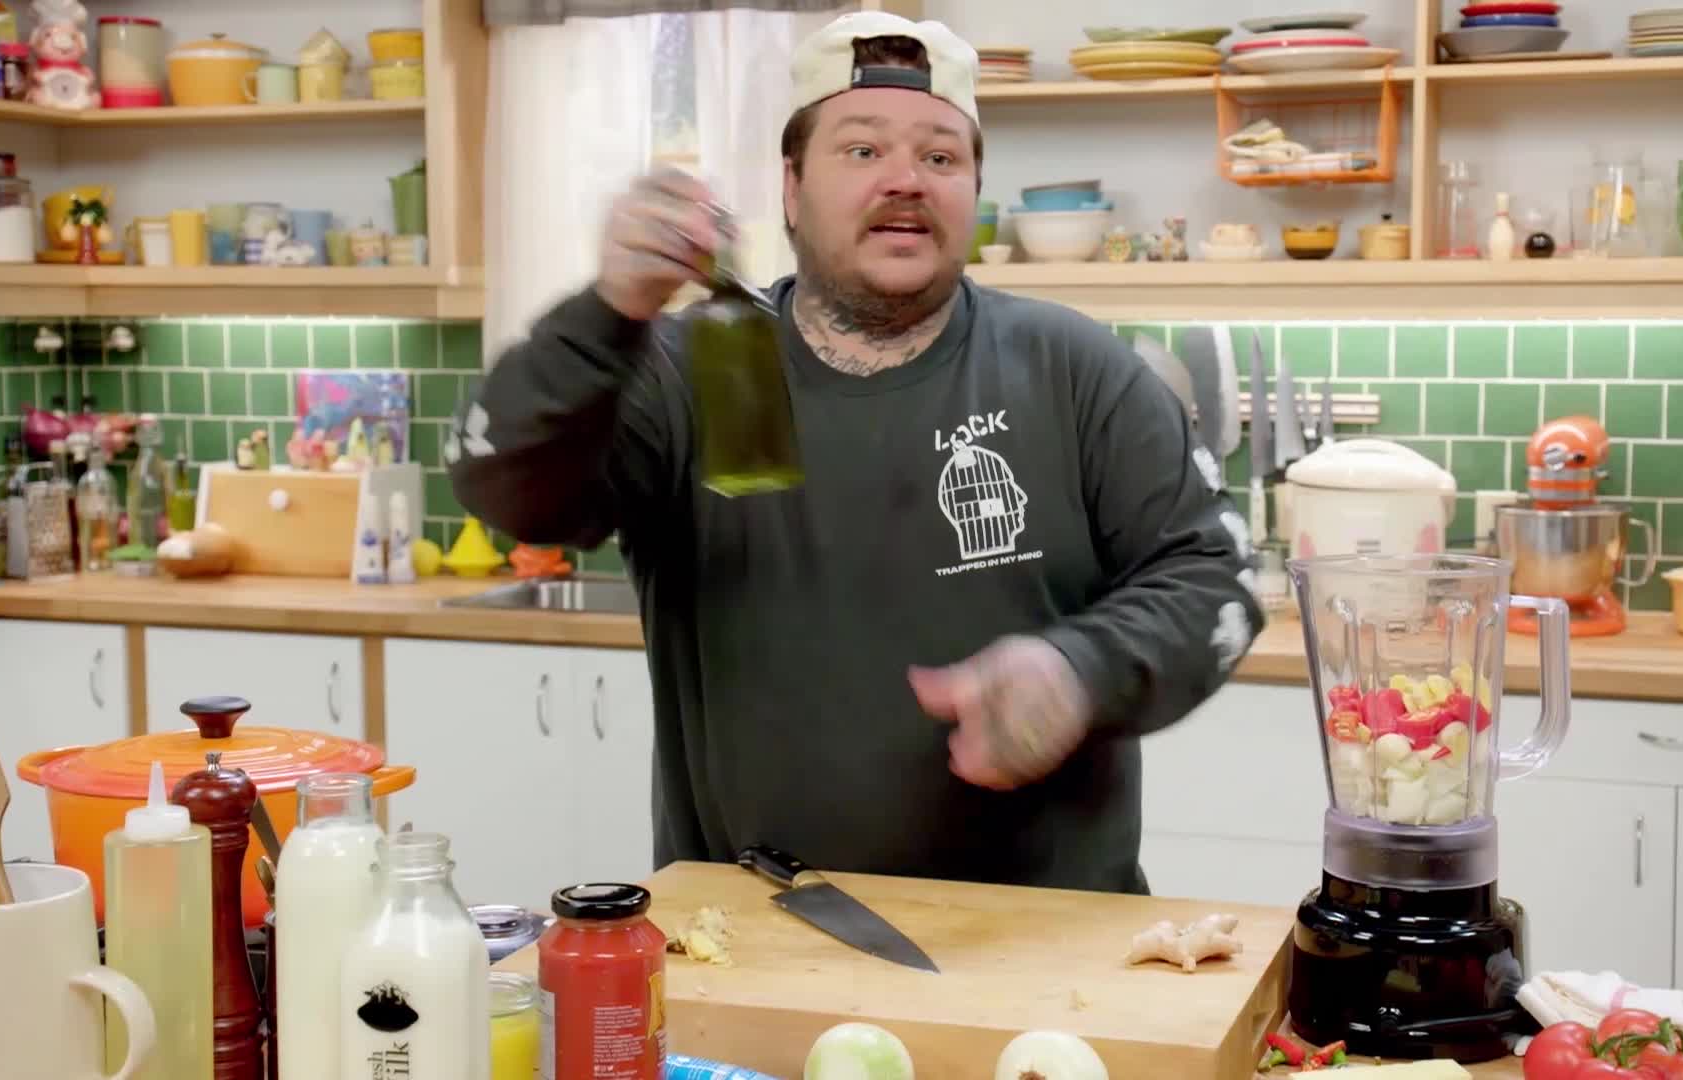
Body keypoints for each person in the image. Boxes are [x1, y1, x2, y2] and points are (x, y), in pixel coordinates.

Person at [446, 11, 1261, 894]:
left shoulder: (1075, 367)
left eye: (941, 156)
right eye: (862, 150)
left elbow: (1216, 574)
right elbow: (508, 487)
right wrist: (607, 314)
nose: (905, 180)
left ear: (972, 190)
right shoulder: (694, 372)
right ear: (792, 188)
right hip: (754, 928)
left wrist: (1080, 672)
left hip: (1049, 937)